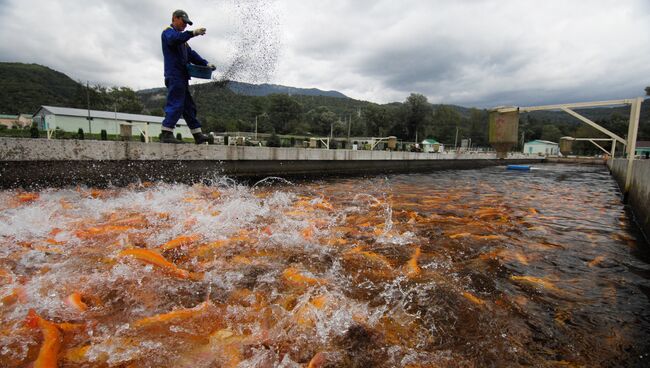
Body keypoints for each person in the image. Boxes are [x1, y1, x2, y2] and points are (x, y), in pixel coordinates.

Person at [160, 9, 215, 144]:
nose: (185, 25)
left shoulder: (183, 41)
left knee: (188, 106)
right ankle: (166, 132)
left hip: (182, 77)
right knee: (176, 103)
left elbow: (192, 55)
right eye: (183, 22)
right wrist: (193, 33)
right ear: (175, 18)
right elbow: (174, 39)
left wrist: (206, 63)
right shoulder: (168, 32)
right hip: (174, 75)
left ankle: (197, 134)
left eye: (187, 24)